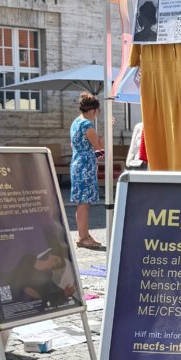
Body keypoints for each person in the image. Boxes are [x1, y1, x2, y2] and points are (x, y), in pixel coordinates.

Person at [70, 93, 106, 250]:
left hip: (77, 164)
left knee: (81, 203)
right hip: (86, 167)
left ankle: (83, 235)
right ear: (94, 111)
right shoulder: (87, 126)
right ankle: (83, 237)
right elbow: (99, 150)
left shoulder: (76, 123)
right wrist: (106, 135)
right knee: (84, 204)